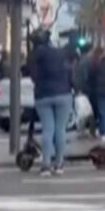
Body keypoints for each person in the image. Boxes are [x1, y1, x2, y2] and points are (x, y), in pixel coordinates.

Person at [28, 30, 73, 176]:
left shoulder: (34, 56)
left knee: (48, 129)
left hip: (43, 95)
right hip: (63, 93)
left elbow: (32, 75)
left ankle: (46, 165)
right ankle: (59, 164)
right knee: (60, 129)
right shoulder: (60, 53)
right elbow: (70, 72)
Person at [84, 46, 104, 139]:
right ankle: (100, 131)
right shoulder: (101, 64)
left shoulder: (91, 63)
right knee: (100, 112)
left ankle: (92, 131)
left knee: (93, 113)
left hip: (92, 91)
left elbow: (88, 78)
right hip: (100, 90)